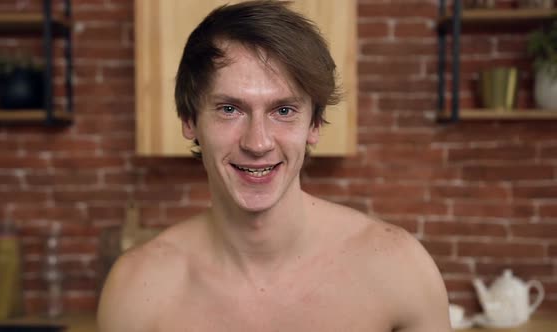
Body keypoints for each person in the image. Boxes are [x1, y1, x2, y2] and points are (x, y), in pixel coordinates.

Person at [97, 1, 451, 331]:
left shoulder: (399, 269)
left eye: (283, 111)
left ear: (314, 125)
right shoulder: (138, 290)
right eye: (229, 109)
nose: (258, 143)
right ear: (190, 119)